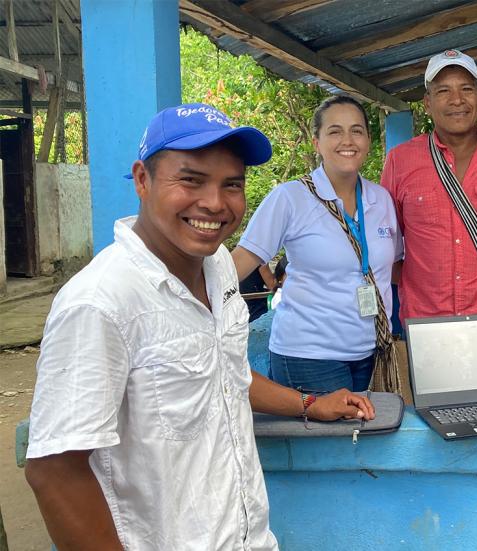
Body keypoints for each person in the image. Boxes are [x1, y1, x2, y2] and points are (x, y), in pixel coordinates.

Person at [25, 103, 375, 551]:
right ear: (143, 180)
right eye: (190, 180)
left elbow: (225, 375)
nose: (214, 202)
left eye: (232, 184)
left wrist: (309, 404)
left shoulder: (219, 268)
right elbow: (54, 471)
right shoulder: (101, 302)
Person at [233, 96, 404, 395]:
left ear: (367, 139)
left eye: (357, 130)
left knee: (371, 439)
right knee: (334, 442)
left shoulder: (381, 199)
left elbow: (393, 269)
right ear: (316, 142)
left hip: (373, 352)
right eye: (335, 131)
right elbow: (241, 261)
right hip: (309, 357)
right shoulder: (290, 198)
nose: (347, 140)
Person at [381, 49, 477, 321]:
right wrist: (422, 282)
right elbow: (384, 240)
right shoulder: (400, 161)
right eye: (443, 91)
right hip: (426, 321)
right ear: (427, 102)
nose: (457, 100)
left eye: (466, 89)